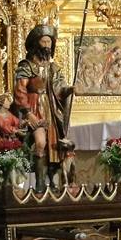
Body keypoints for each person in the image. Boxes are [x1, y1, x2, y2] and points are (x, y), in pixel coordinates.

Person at [11, 23, 75, 192]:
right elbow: (20, 91)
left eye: (49, 42)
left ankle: (52, 181)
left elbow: (59, 89)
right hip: (33, 107)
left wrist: (69, 90)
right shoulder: (26, 66)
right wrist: (27, 113)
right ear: (35, 43)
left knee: (54, 147)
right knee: (40, 142)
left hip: (50, 109)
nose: (47, 45)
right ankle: (39, 182)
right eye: (43, 42)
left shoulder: (54, 68)